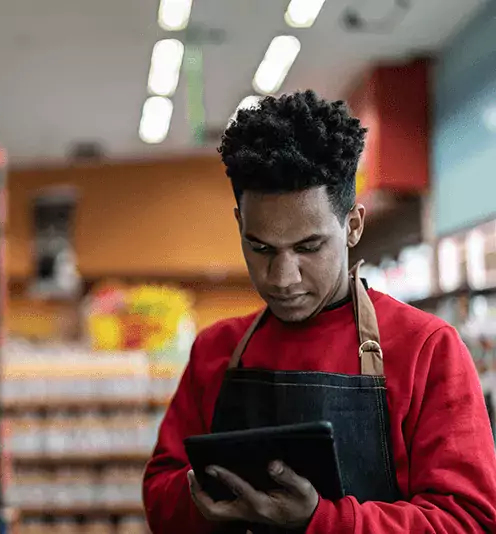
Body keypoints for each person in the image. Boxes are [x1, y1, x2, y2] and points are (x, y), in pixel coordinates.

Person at [142, 90, 496, 533]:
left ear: (353, 226)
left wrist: (321, 520)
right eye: (260, 248)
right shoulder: (215, 351)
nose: (282, 277)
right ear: (240, 226)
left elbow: (470, 521)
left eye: (308, 247)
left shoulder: (427, 349)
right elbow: (160, 491)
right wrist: (208, 501)